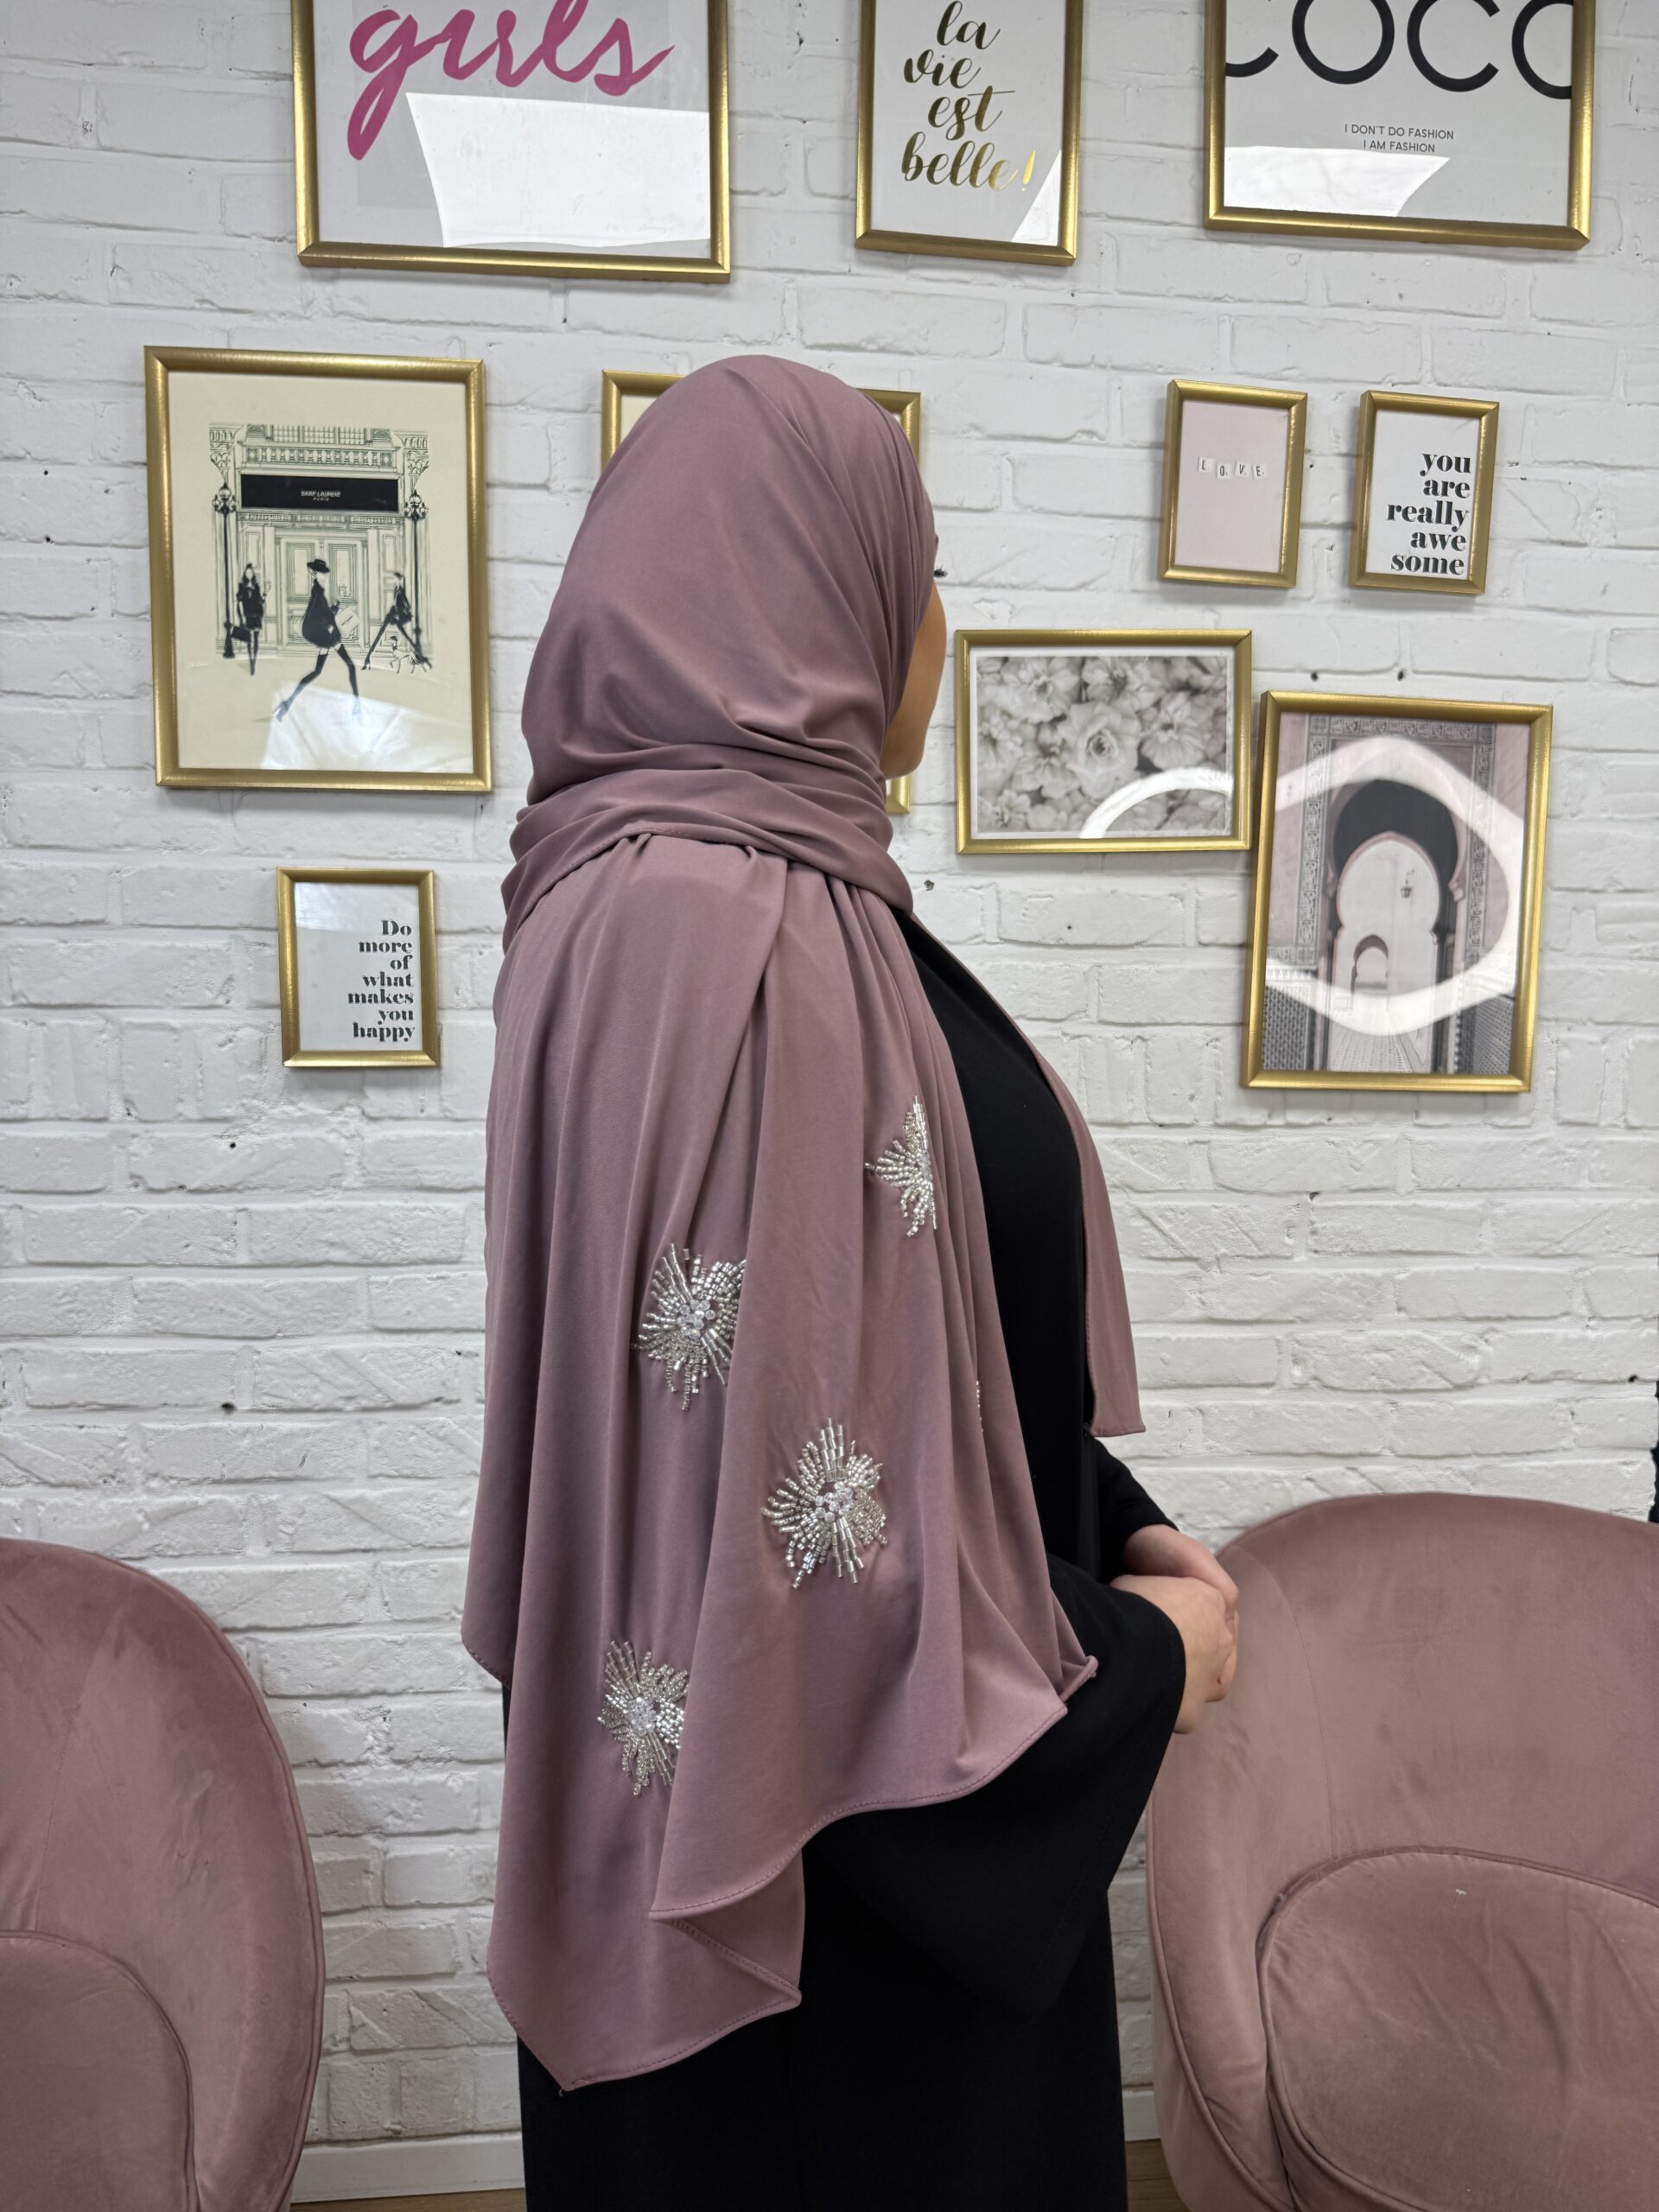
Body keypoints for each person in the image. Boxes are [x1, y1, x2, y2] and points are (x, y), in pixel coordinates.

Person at [464, 358, 1238, 2212]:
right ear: (820, 589)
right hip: (836, 1971)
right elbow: (801, 1567)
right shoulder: (726, 929)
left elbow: (880, 1361)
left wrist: (1113, 1518)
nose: (939, 626)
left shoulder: (715, 894)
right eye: (925, 572)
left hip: (830, 1892)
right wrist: (1152, 1660)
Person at [275, 556, 361, 721]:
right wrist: (335, 616)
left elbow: (323, 615)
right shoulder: (317, 592)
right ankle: (357, 706)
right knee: (350, 665)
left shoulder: (318, 591)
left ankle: (287, 704)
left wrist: (334, 608)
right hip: (319, 633)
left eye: (325, 573)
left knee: (317, 671)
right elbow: (321, 616)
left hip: (320, 634)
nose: (324, 576)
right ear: (315, 574)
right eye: (321, 573)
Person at [362, 569, 429, 670]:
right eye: (394, 578)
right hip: (392, 614)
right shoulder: (397, 588)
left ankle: (367, 659)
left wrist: (399, 614)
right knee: (381, 633)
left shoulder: (400, 590)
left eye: (396, 578)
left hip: (395, 615)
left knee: (404, 637)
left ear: (399, 579)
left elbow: (407, 606)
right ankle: (368, 658)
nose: (394, 580)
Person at [235, 563, 263, 674]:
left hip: (257, 616)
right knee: (249, 641)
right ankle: (250, 661)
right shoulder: (242, 586)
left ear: (253, 574)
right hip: (247, 617)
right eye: (247, 573)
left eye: (251, 572)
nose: (249, 574)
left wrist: (265, 593)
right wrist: (241, 618)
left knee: (256, 641)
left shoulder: (257, 586)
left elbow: (261, 601)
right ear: (245, 574)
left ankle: (253, 663)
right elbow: (239, 602)